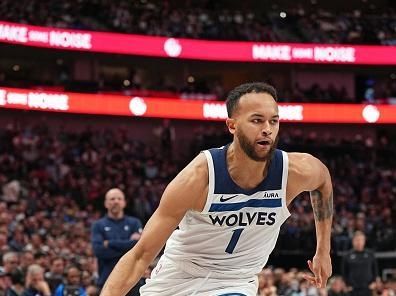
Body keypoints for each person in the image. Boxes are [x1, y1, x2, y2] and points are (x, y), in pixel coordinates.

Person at [100, 82, 333, 296]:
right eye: (256, 120)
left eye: (274, 121)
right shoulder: (199, 178)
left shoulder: (294, 171)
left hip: (234, 281)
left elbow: (323, 183)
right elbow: (140, 255)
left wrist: (323, 249)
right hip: (178, 279)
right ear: (232, 125)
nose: (267, 129)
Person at [91, 188, 142, 290]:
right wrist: (129, 246)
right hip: (107, 279)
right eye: (112, 199)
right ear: (106, 203)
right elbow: (98, 251)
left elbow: (140, 248)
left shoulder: (135, 222)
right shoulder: (98, 225)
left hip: (132, 280)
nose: (116, 201)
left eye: (119, 199)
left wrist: (109, 243)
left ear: (124, 203)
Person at [342, 231, 379, 296]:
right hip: (352, 289)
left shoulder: (370, 254)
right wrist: (347, 284)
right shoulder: (347, 255)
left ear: (364, 241)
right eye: (357, 240)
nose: (359, 242)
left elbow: (375, 270)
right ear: (353, 241)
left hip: (368, 288)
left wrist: (374, 282)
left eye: (361, 240)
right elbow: (344, 272)